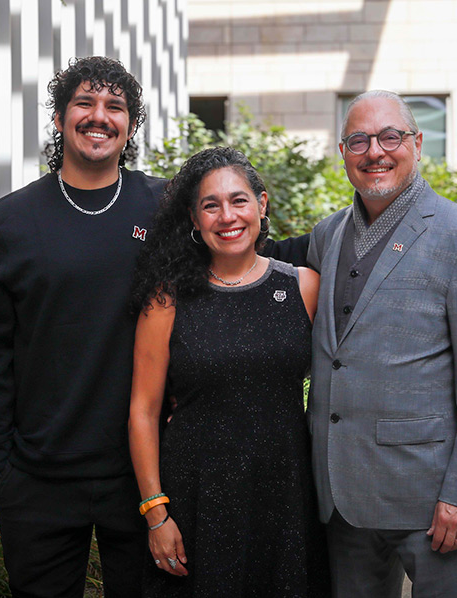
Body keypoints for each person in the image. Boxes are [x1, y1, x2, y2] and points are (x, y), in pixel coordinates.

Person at [0, 57, 307, 598]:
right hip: (39, 476)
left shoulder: (165, 205)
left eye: (115, 107)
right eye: (84, 103)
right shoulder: (6, 224)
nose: (99, 117)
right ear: (59, 118)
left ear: (129, 124)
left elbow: (238, 251)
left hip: (145, 474)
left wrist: (349, 236)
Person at [306, 90, 457, 598]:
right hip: (342, 496)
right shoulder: (326, 236)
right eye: (358, 140)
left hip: (431, 501)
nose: (374, 151)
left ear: (417, 144)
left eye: (390, 137)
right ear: (343, 153)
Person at [127, 147, 331, 597]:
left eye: (238, 200)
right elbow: (143, 410)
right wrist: (156, 514)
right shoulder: (168, 299)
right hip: (196, 495)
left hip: (286, 497)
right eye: (210, 205)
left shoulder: (303, 287)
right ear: (195, 221)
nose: (227, 216)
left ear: (261, 205)